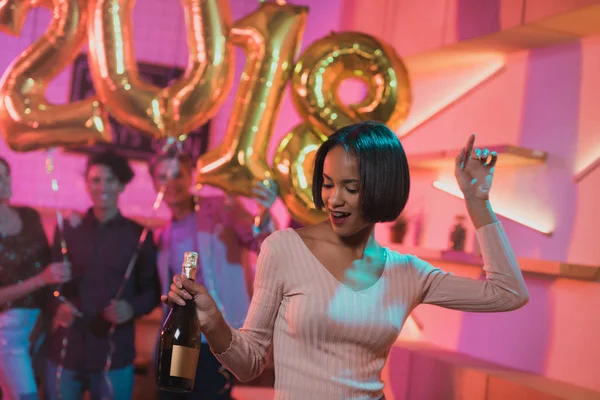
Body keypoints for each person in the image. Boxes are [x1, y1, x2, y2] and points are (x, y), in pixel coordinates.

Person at [164, 121, 530, 400]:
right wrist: (212, 320)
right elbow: (249, 363)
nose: (333, 199)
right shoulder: (284, 249)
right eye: (327, 183)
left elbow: (508, 293)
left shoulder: (408, 273)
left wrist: (478, 201)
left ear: (381, 188)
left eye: (351, 188)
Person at [148, 149, 278, 400]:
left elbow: (261, 243)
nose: (170, 183)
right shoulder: (163, 234)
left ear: (191, 176)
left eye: (178, 175)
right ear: (154, 183)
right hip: (179, 337)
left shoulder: (221, 208)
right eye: (162, 176)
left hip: (217, 334)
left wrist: (263, 214)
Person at [43, 151, 160, 400]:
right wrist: (57, 306)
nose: (101, 187)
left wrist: (131, 308)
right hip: (66, 352)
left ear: (121, 184)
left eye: (110, 180)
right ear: (87, 184)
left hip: (114, 355)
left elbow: (152, 292)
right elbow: (49, 286)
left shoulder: (138, 236)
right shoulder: (68, 230)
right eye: (95, 180)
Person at [0, 157, 72, 400]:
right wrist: (40, 280)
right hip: (8, 329)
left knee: (43, 390)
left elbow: (50, 257)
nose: (4, 181)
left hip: (43, 321)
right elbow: (44, 275)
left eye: (6, 174)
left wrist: (73, 223)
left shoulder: (29, 215)